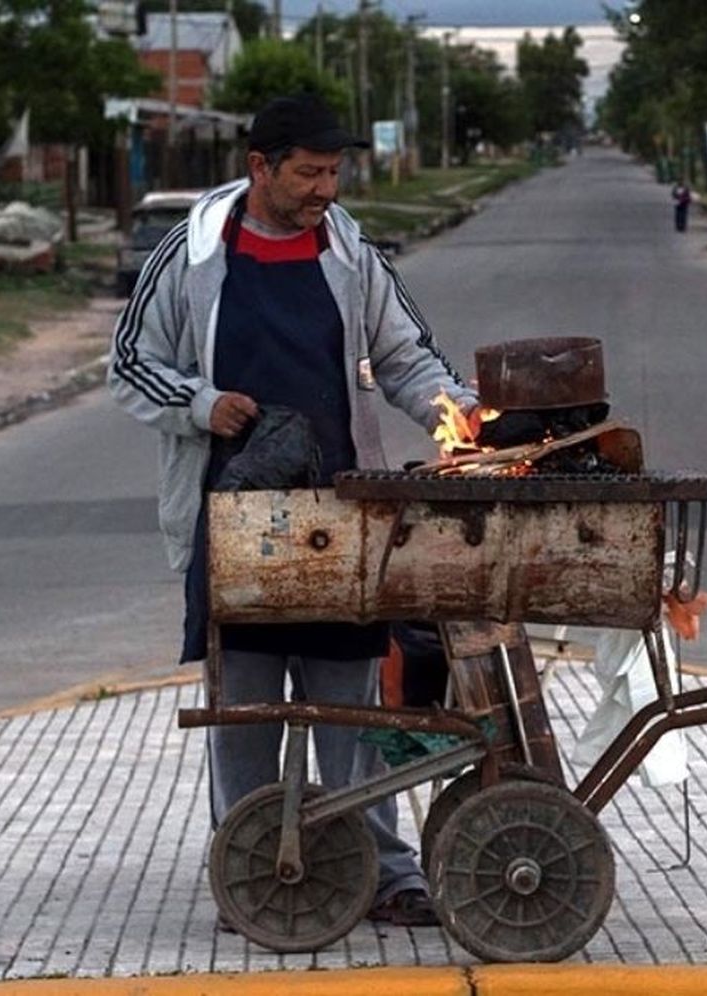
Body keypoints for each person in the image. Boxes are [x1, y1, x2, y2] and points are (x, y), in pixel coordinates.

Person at [108, 92, 478, 929]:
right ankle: (257, 871)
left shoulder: (351, 252)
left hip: (340, 513)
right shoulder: (194, 254)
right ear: (260, 168)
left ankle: (385, 874)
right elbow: (131, 362)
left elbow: (408, 357)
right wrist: (204, 406)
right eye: (309, 173)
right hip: (231, 523)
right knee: (244, 710)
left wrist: (462, 418)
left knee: (352, 703)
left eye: (335, 171)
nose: (325, 189)